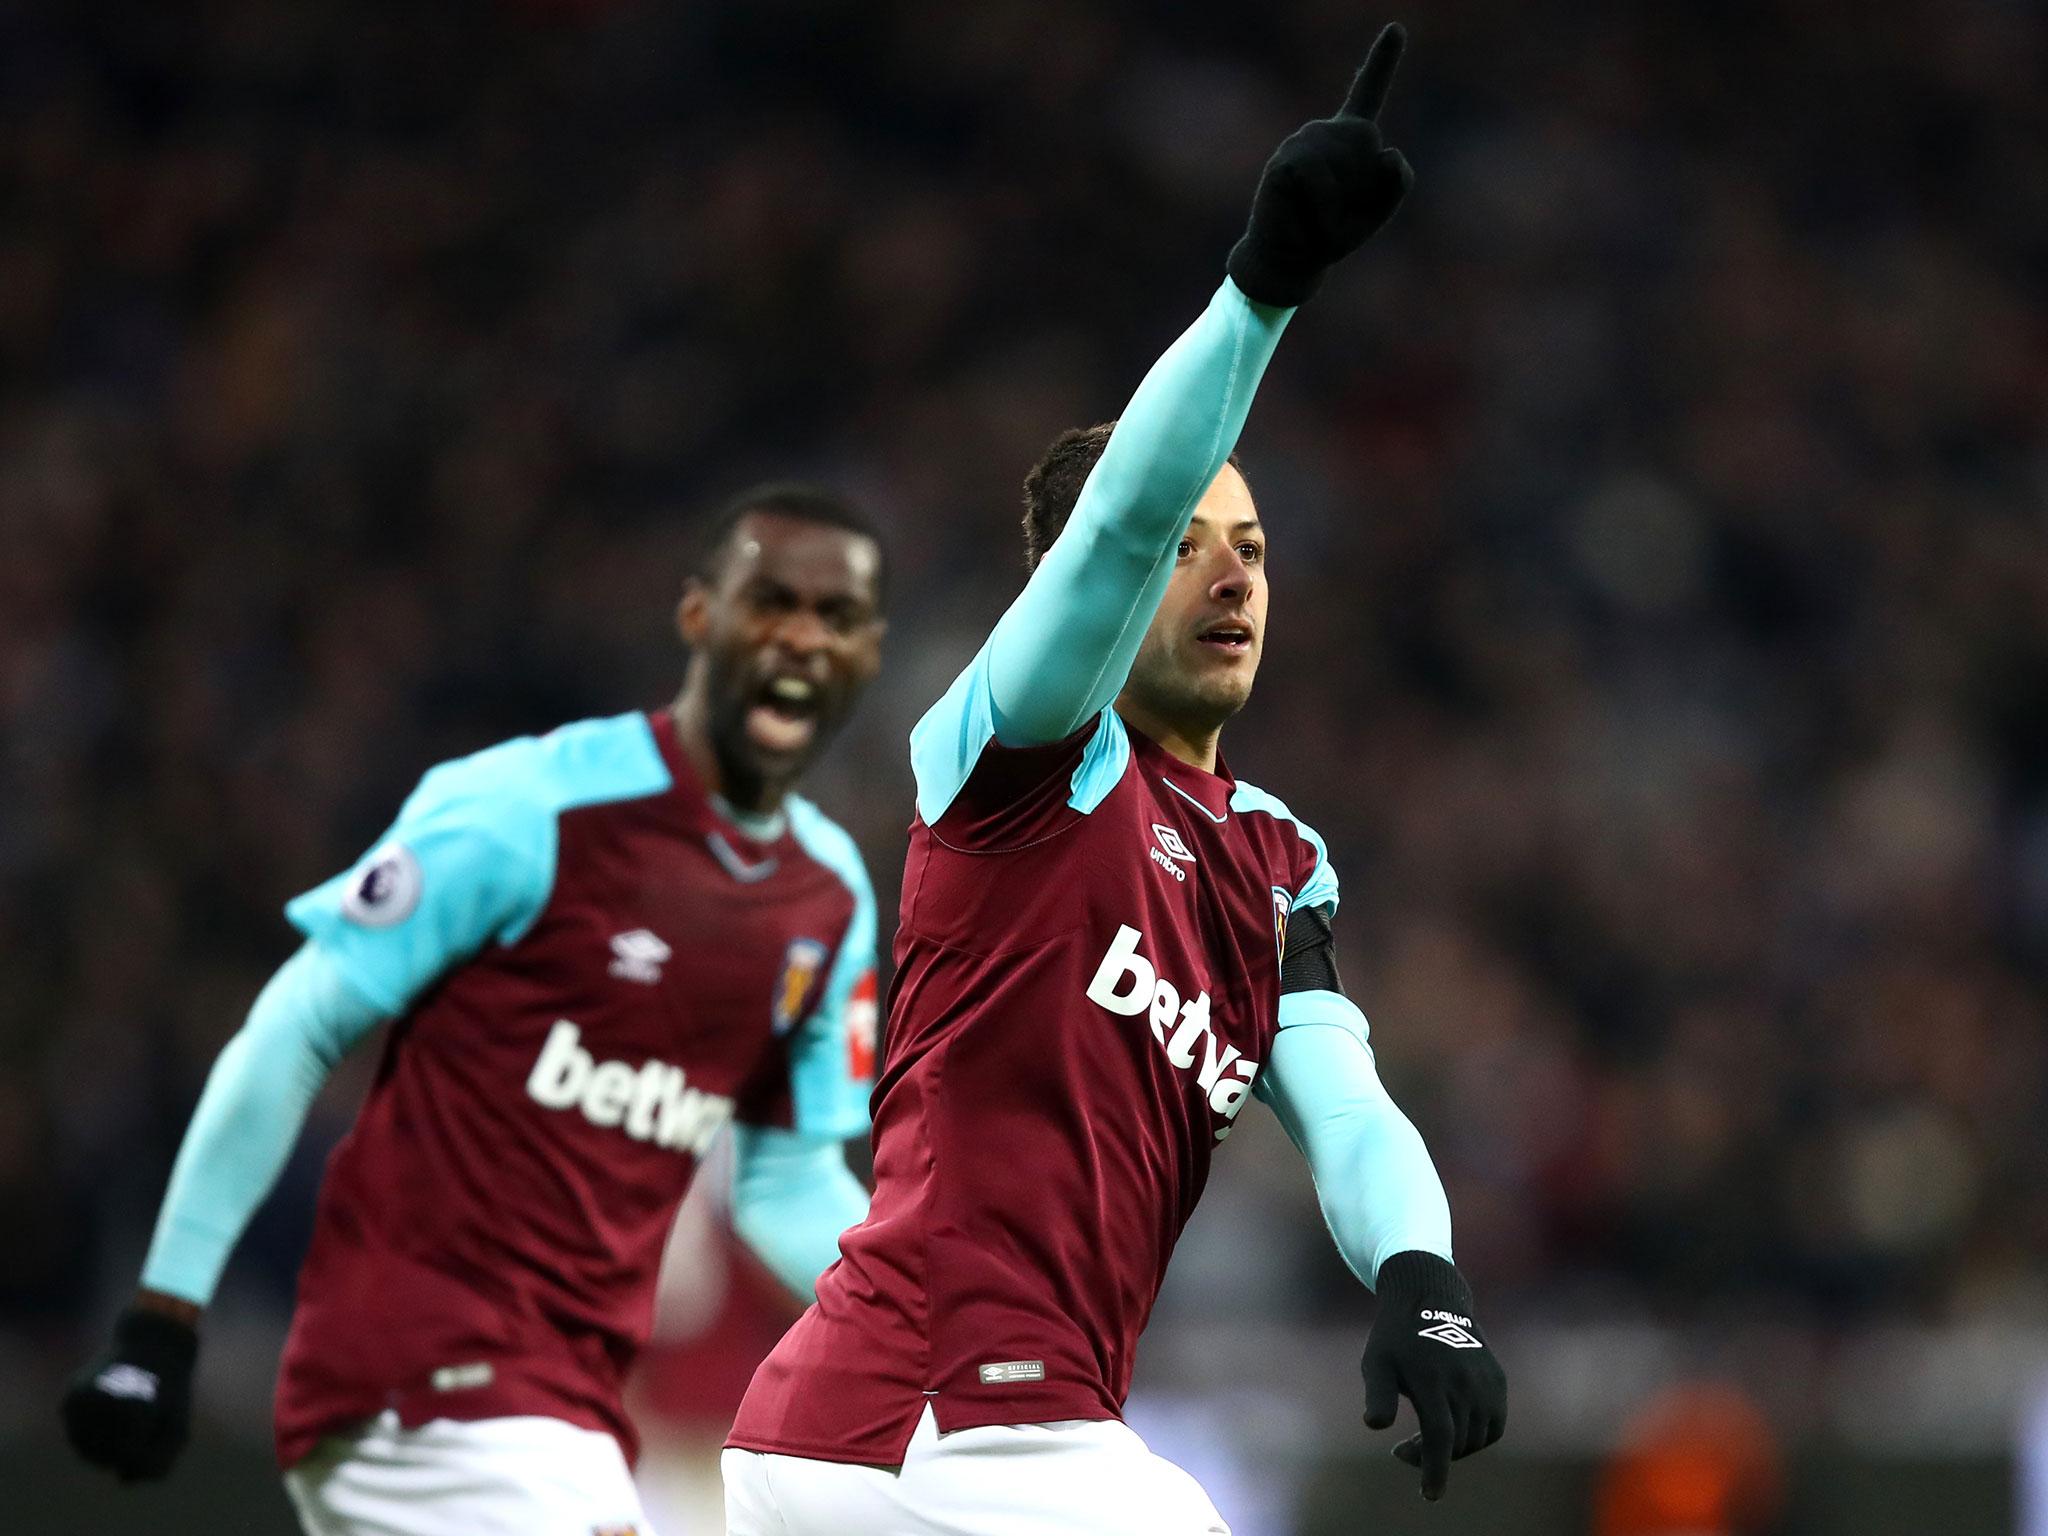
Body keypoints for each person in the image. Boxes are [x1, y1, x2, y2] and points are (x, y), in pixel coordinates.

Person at [722, 26, 1506, 1535]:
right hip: (933, 1421)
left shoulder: (1277, 863)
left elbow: (1344, 1110)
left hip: (911, 1446)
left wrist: (1426, 1279)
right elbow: (1119, 517)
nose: (1233, 576)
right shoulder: (1013, 754)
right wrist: (1264, 288)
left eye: (1258, 550)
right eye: (1190, 546)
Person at [62, 483, 889, 1535]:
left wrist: (918, 1323)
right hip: (416, 1383)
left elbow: (782, 1184)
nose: (801, 639)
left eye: (837, 618)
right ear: (698, 615)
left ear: (869, 651)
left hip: (570, 1419)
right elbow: (293, 1029)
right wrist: (163, 1316)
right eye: (770, 601)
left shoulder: (825, 896)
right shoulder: (529, 808)